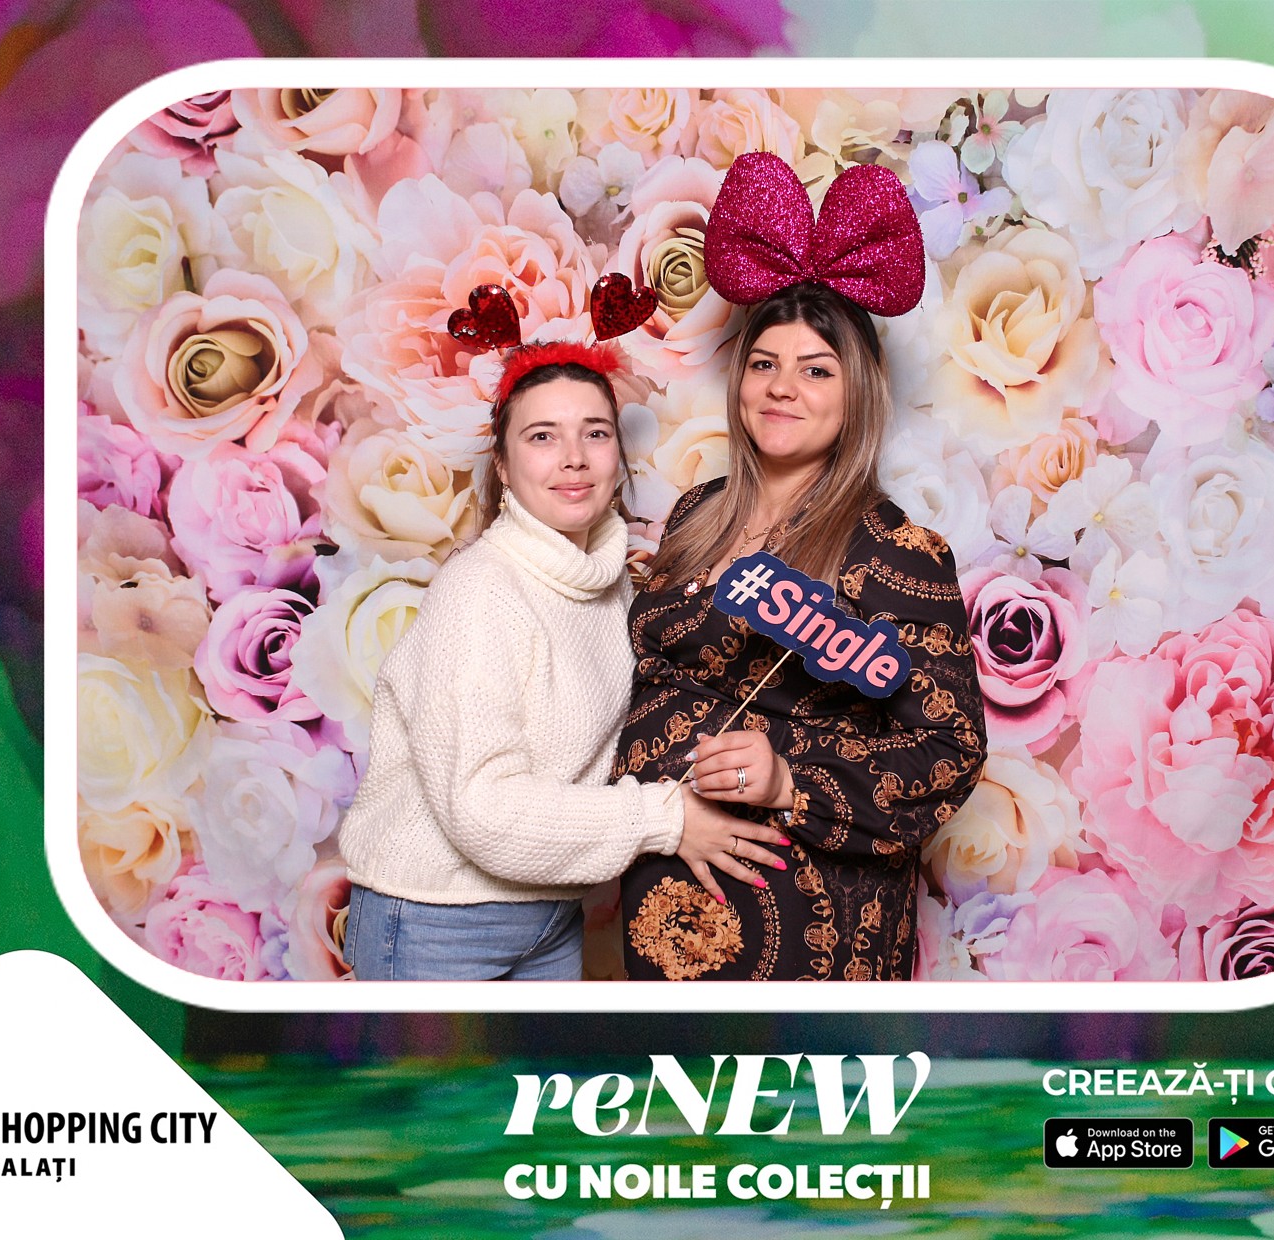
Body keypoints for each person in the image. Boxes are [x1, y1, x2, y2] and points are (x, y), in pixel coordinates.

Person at [613, 153, 988, 980]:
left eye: (816, 370)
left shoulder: (897, 553)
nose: (782, 388)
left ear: (857, 392)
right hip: (664, 924)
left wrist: (790, 780)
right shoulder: (697, 514)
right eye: (764, 364)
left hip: (813, 940)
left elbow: (951, 750)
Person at [338, 341, 790, 981]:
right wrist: (667, 817)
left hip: (550, 915)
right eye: (543, 436)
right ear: (503, 463)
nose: (573, 457)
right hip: (436, 920)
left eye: (595, 433)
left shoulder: (615, 586)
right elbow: (483, 810)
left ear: (617, 455)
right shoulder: (481, 590)